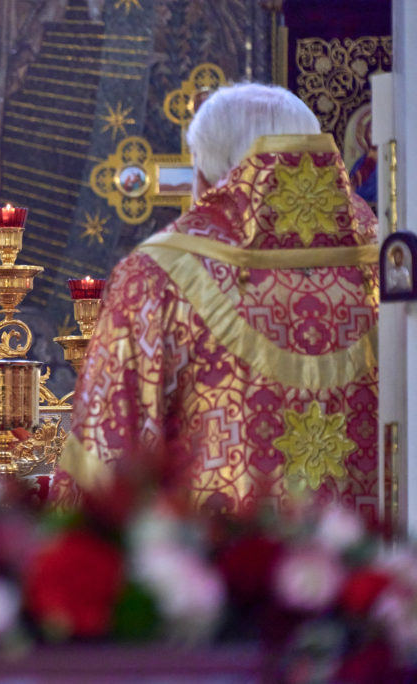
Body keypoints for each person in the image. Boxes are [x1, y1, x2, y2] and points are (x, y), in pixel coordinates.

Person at [55, 84, 380, 522]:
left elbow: (107, 455)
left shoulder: (159, 276)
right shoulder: (392, 266)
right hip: (379, 569)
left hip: (214, 573)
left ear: (205, 177)